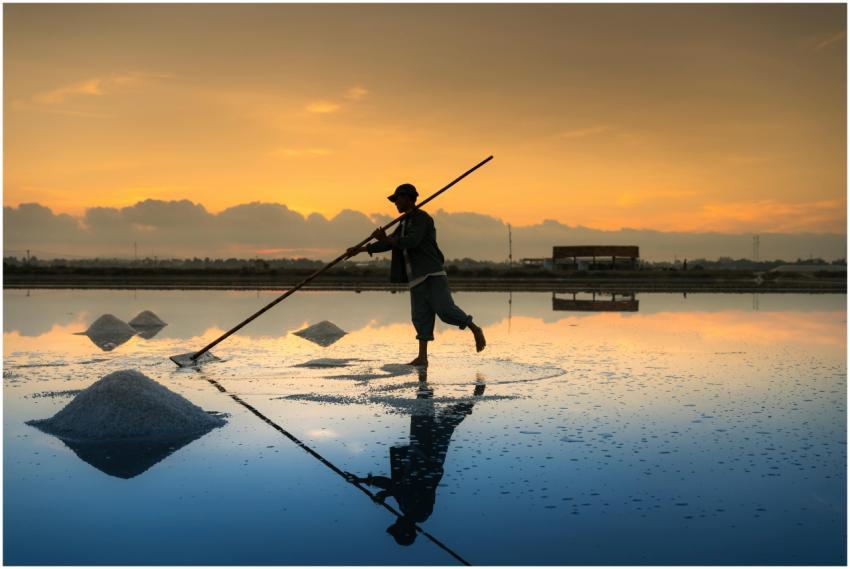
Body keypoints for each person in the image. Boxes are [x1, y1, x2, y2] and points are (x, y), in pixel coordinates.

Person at [347, 183, 485, 367]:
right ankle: (422, 357)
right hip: (415, 278)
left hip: (432, 274)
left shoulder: (422, 219)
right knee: (420, 316)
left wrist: (386, 238)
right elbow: (389, 244)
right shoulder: (403, 222)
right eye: (394, 200)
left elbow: (411, 241)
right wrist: (361, 249)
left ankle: (475, 329)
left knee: (444, 310)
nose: (395, 203)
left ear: (408, 198)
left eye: (397, 199)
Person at [344, 369, 486, 546]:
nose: (395, 522)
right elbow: (405, 490)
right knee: (449, 419)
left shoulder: (403, 507)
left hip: (418, 450)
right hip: (431, 456)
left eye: (394, 526)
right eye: (398, 527)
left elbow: (392, 484)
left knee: (422, 406)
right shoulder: (421, 515)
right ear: (407, 530)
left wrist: (363, 480)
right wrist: (385, 494)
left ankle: (424, 373)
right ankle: (476, 393)